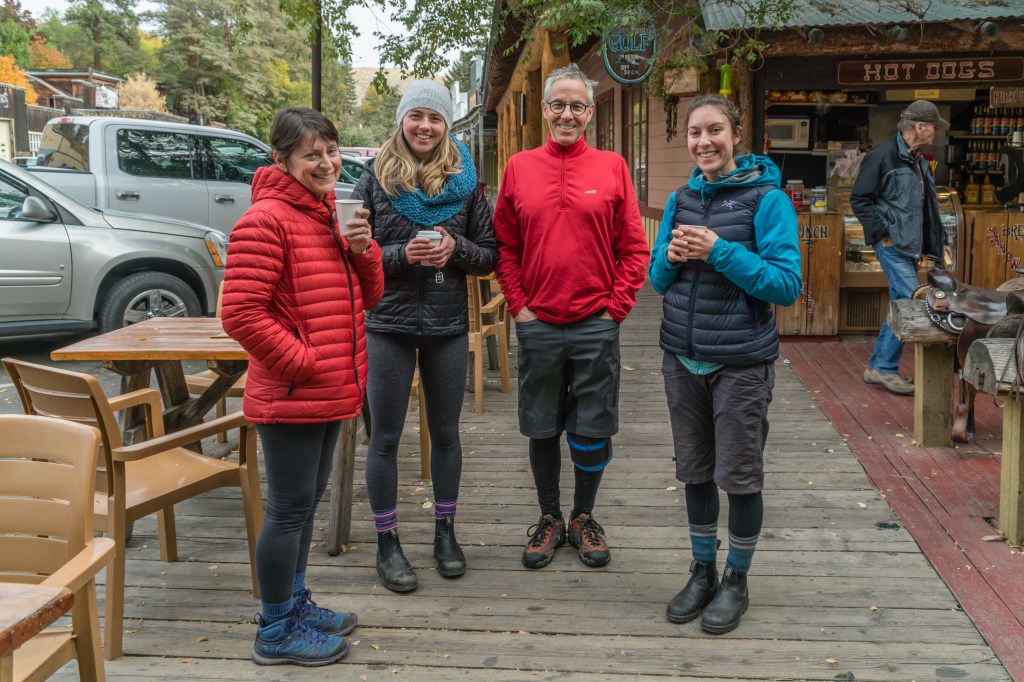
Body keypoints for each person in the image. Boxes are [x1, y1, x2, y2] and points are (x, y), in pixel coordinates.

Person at [220, 107, 384, 666]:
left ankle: (293, 605)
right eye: (311, 154)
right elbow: (241, 313)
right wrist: (303, 364)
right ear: (281, 159)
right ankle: (273, 630)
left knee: (305, 505)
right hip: (296, 390)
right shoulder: (266, 220)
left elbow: (370, 297)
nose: (327, 163)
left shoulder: (325, 214)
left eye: (332, 151)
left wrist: (364, 251)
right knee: (289, 510)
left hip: (328, 389)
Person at [648, 93, 801, 635]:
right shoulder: (680, 198)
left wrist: (720, 251)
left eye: (715, 130)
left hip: (741, 362)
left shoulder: (768, 200)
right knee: (694, 471)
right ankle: (702, 570)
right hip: (682, 357)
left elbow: (786, 286)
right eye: (695, 132)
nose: (704, 142)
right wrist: (669, 258)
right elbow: (657, 281)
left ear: (736, 134)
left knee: (738, 475)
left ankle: (736, 578)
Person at [492, 63, 650, 571]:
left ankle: (583, 516)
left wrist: (615, 309)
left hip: (594, 323)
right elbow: (504, 245)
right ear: (544, 109)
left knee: (592, 425)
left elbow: (634, 249)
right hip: (538, 321)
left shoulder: (612, 167)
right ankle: (549, 517)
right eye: (557, 104)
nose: (566, 114)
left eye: (576, 105)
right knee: (541, 425)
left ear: (589, 112)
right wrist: (519, 306)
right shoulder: (519, 167)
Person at [352, 80, 497, 593]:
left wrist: (457, 249)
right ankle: (387, 543)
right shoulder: (373, 180)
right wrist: (399, 255)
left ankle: (445, 532)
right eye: (416, 116)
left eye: (435, 118)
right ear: (402, 121)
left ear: (447, 126)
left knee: (447, 433)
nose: (425, 126)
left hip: (447, 326)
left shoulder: (465, 183)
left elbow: (490, 255)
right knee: (386, 438)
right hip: (386, 325)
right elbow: (352, 254)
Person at [851, 99, 949, 396]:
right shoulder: (883, 155)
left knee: (900, 302)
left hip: (910, 246)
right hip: (892, 244)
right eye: (933, 126)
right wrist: (882, 233)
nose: (936, 132)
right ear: (919, 127)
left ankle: (878, 367)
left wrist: (935, 243)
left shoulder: (920, 161)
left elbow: (926, 207)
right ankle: (884, 368)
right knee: (909, 301)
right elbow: (859, 199)